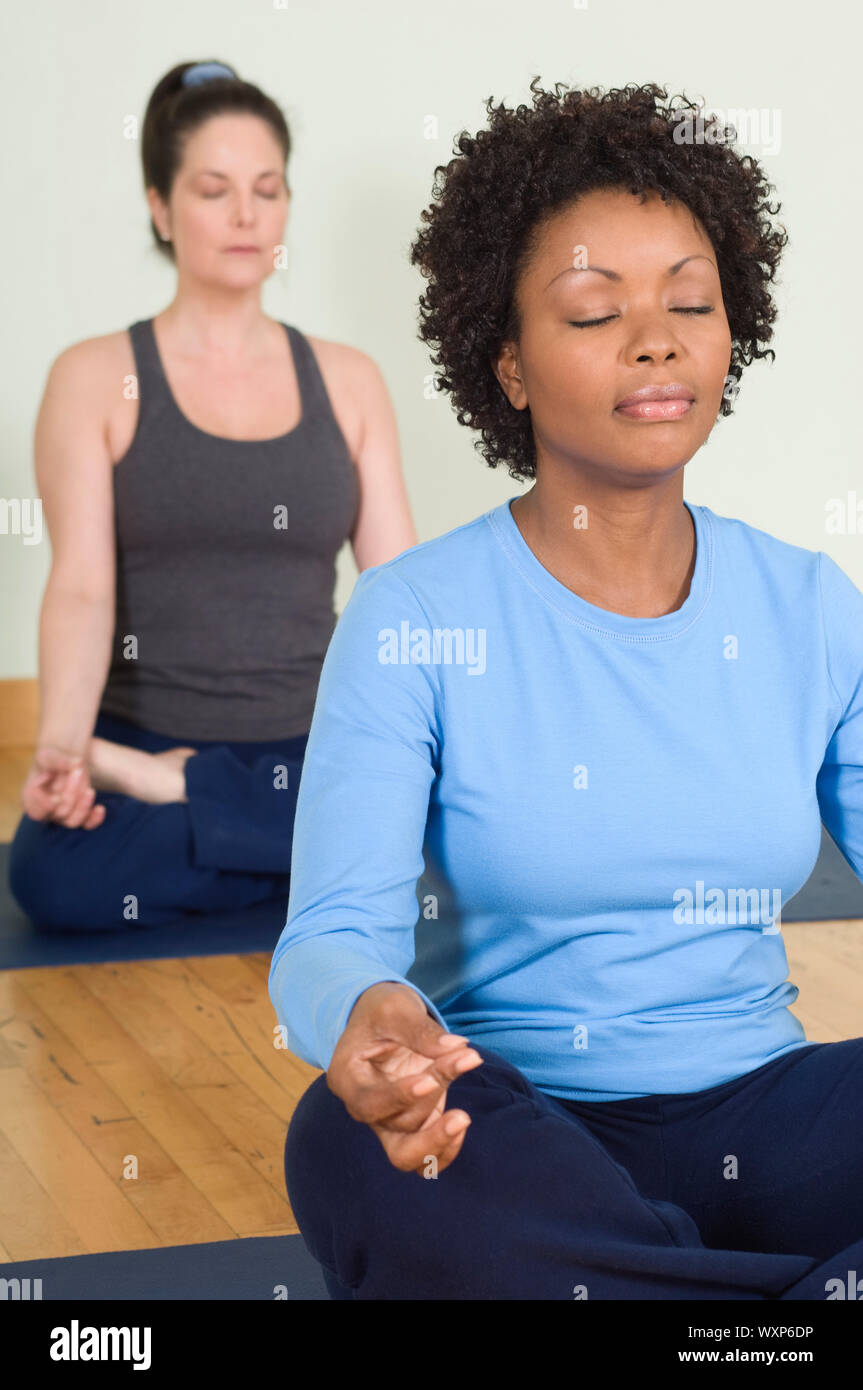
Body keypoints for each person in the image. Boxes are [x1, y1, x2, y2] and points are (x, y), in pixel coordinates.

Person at [269, 80, 863, 1300]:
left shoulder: (809, 604)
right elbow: (333, 931)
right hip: (512, 1123)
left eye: (688, 304)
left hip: (766, 1123)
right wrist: (370, 1012)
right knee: (347, 1148)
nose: (656, 341)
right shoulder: (414, 615)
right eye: (595, 314)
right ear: (511, 368)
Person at [8, 60, 416, 931]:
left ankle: (200, 804)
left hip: (311, 748)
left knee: (443, 815)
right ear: (160, 206)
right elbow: (81, 584)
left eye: (267, 190)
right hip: (144, 736)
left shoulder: (347, 381)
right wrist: (63, 750)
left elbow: (395, 594)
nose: (245, 215)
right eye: (213, 189)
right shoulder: (94, 378)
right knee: (54, 876)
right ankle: (309, 863)